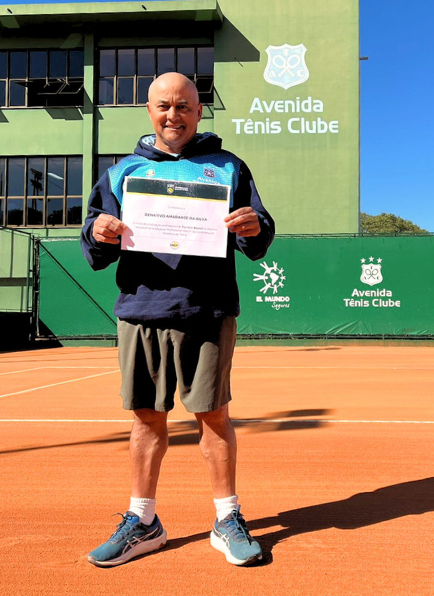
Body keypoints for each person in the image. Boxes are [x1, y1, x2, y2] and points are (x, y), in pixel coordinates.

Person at [81, 72, 275, 567]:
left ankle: (226, 518)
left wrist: (254, 226)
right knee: (147, 418)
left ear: (198, 110)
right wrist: (98, 230)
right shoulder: (124, 172)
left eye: (185, 106)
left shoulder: (228, 167)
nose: (174, 114)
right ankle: (143, 521)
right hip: (141, 306)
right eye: (164, 105)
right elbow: (94, 240)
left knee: (213, 415)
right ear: (150, 110)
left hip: (206, 307)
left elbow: (258, 230)